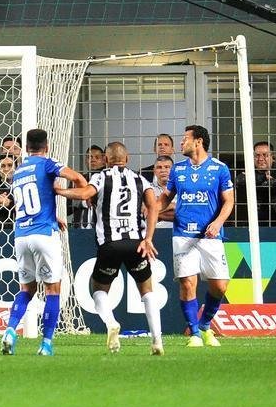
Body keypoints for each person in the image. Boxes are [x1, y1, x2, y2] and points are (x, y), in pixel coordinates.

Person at [56, 141, 164, 355]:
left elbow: (85, 194)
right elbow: (153, 206)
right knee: (147, 290)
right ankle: (157, 341)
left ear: (106, 159)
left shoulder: (100, 177)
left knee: (98, 290)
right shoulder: (140, 179)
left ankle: (111, 323)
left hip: (110, 245)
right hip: (136, 244)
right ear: (128, 159)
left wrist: (59, 190)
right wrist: (149, 238)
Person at [0, 128, 88, 357]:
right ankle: (46, 344)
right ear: (46, 146)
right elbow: (77, 177)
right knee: (52, 289)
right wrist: (80, 194)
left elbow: (28, 201)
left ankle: (10, 331)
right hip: (43, 234)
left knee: (26, 289)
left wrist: (51, 214)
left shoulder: (19, 171)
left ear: (27, 148)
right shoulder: (48, 163)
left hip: (21, 235)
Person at [157, 124, 235, 348]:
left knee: (220, 286)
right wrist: (153, 208)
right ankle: (194, 333)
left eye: (185, 139)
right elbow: (165, 198)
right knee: (187, 284)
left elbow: (228, 201)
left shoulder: (220, 169)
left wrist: (218, 222)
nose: (181, 143)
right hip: (183, 234)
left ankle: (204, 325)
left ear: (198, 141)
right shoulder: (178, 169)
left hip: (211, 236)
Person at [250, 141, 276, 225]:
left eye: (265, 155)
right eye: (257, 155)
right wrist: (265, 178)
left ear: (273, 157)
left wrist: (256, 181)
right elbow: (239, 180)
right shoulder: (249, 169)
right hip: (256, 221)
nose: (260, 159)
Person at [70, 145, 107, 228]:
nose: (93, 160)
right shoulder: (77, 180)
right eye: (89, 157)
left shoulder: (107, 179)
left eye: (97, 157)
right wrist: (82, 201)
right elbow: (67, 208)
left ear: (104, 161)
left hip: (101, 229)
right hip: (78, 228)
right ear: (85, 160)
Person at [150, 156, 176, 227]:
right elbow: (145, 211)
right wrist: (172, 206)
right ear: (154, 171)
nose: (163, 170)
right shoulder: (147, 189)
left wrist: (155, 212)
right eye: (159, 167)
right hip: (154, 232)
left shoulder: (182, 188)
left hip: (178, 233)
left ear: (174, 170)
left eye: (167, 167)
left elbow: (184, 214)